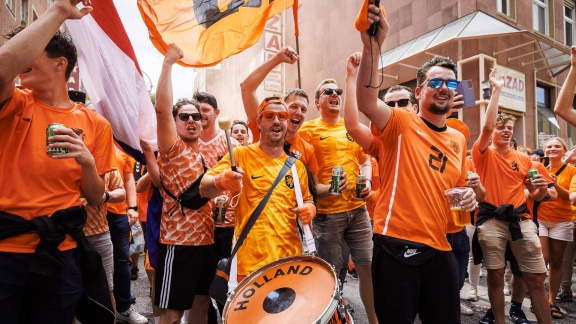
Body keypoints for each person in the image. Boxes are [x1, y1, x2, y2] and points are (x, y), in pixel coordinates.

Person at [356, 5, 477, 323]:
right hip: (397, 244)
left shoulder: (458, 138)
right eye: (436, 83)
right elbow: (367, 100)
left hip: (441, 247)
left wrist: (468, 196)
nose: (444, 89)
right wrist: (372, 45)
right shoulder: (401, 122)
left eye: (451, 85)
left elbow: (460, 189)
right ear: (419, 90)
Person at [0, 1, 117, 322]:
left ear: (59, 64)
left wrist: (87, 163)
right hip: (5, 251)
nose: (22, 56)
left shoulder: (95, 124)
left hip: (60, 254)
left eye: (32, 49)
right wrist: (59, 12)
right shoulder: (13, 101)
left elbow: (96, 198)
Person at [200, 96, 315, 277]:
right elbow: (203, 188)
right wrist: (221, 181)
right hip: (248, 264)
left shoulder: (297, 166)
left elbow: (307, 199)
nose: (276, 121)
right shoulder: (240, 154)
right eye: (269, 116)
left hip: (289, 263)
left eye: (281, 116)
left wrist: (310, 208)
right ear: (259, 122)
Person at [471, 67, 552, 324]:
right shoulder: (483, 152)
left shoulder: (524, 158)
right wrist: (496, 90)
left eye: (510, 127)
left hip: (521, 221)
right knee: (495, 276)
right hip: (492, 220)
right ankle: (499, 321)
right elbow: (485, 127)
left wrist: (538, 187)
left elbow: (539, 197)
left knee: (536, 278)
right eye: (501, 127)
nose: (506, 130)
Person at [297, 66, 376, 322]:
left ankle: (373, 320)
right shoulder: (306, 131)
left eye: (338, 91)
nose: (335, 94)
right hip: (327, 215)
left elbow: (365, 160)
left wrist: (368, 180)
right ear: (318, 101)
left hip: (357, 209)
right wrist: (320, 190)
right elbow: (300, 172)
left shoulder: (352, 126)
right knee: (332, 273)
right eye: (327, 91)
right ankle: (335, 318)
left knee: (367, 267)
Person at [153, 44, 217, 324]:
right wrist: (168, 64)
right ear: (175, 122)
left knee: (201, 303)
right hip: (179, 244)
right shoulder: (172, 149)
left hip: (207, 241)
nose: (192, 120)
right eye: (184, 116)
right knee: (172, 313)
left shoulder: (203, 154)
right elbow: (161, 110)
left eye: (197, 117)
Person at [241, 47, 319, 178]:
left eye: (303, 109)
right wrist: (278, 59)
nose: (299, 112)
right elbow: (247, 88)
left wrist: (333, 188)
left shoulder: (307, 150)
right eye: (294, 106)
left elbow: (312, 190)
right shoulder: (262, 129)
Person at [535, 137, 576, 319]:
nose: (553, 149)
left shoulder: (572, 170)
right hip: (541, 218)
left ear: (564, 150)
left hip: (562, 220)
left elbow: (569, 197)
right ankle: (541, 299)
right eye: (549, 146)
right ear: (545, 150)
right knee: (543, 258)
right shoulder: (538, 167)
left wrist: (554, 184)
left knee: (557, 262)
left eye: (557, 146)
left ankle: (552, 302)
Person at [106, 148, 148, 323]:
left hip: (117, 212)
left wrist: (132, 207)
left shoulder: (122, 148)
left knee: (122, 261)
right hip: (89, 212)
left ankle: (123, 307)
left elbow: (129, 179)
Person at [83, 169, 125, 314]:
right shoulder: (60, 155)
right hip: (69, 234)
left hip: (100, 233)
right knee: (69, 291)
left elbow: (121, 192)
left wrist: (105, 196)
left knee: (107, 289)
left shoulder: (103, 160)